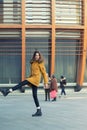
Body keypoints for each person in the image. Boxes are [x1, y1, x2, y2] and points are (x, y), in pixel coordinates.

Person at [0, 51, 48, 117]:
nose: (37, 56)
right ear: (34, 56)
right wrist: (30, 77)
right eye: (36, 55)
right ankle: (39, 110)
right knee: (34, 95)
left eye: (38, 55)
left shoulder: (40, 63)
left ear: (39, 56)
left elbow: (44, 73)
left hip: (36, 79)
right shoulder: (33, 62)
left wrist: (46, 82)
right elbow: (32, 72)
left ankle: (7, 91)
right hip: (32, 78)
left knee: (21, 83)